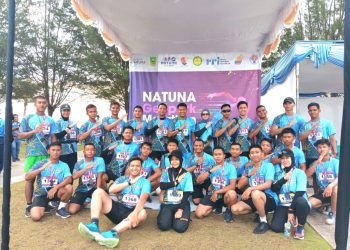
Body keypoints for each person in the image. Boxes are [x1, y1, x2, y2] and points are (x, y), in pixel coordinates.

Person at [78, 157, 150, 248]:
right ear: (129, 167)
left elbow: (143, 199)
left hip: (132, 214)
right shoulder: (122, 179)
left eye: (137, 166)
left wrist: (135, 213)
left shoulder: (145, 182)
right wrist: (129, 183)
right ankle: (94, 225)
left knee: (143, 213)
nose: (135, 168)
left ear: (141, 168)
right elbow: (111, 189)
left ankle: (111, 233)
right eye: (132, 166)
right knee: (98, 192)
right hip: (118, 209)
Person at [18, 95, 57, 217]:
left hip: (46, 153)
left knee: (47, 179)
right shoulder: (28, 118)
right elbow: (20, 135)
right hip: (32, 154)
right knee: (30, 179)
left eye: (44, 103)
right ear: (35, 104)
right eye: (39, 102)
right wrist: (34, 131)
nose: (42, 105)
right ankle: (29, 204)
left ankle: (45, 203)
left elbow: (53, 137)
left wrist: (55, 150)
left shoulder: (50, 120)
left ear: (46, 104)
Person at [231, 145, 278, 234]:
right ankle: (258, 210)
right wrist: (249, 174)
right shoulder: (248, 168)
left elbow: (268, 184)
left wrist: (250, 189)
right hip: (254, 197)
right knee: (234, 209)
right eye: (252, 153)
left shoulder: (268, 166)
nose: (254, 154)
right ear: (249, 156)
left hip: (269, 198)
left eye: (257, 152)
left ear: (262, 154)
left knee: (255, 193)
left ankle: (263, 221)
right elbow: (240, 186)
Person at [25, 142, 72, 221]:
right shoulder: (40, 163)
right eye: (53, 150)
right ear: (48, 151)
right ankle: (44, 205)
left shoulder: (64, 165)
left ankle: (60, 208)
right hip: (41, 194)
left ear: (61, 151)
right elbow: (27, 177)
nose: (55, 152)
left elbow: (69, 179)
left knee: (69, 187)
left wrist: (56, 187)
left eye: (58, 150)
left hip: (56, 192)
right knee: (35, 217)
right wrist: (41, 169)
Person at [270, 149, 310, 240]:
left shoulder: (300, 173)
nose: (285, 160)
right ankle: (291, 222)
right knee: (276, 227)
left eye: (287, 158)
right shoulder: (280, 173)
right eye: (282, 158)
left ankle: (300, 227)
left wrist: (291, 211)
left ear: (292, 158)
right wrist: (283, 179)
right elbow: (274, 188)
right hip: (284, 204)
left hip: (298, 204)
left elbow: (300, 193)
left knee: (301, 201)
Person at [195, 147, 238, 223]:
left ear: (224, 156)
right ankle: (216, 206)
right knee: (199, 214)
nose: (217, 156)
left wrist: (217, 192)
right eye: (215, 154)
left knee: (232, 194)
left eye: (219, 154)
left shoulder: (231, 167)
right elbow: (198, 180)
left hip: (225, 193)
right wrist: (210, 171)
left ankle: (228, 210)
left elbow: (232, 186)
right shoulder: (210, 166)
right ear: (213, 156)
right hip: (213, 193)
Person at [157, 150, 193, 233]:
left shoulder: (186, 174)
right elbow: (162, 185)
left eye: (177, 159)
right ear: (170, 161)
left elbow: (187, 193)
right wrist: (175, 183)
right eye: (172, 160)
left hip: (181, 203)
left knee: (179, 228)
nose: (174, 162)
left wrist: (180, 209)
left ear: (181, 160)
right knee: (163, 226)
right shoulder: (166, 172)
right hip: (168, 203)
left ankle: (184, 214)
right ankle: (167, 214)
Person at [307, 139, 338, 225]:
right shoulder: (315, 163)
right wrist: (318, 161)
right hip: (323, 192)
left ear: (329, 149)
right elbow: (307, 175)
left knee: (335, 188)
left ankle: (333, 213)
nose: (322, 149)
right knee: (309, 204)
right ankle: (327, 204)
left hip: (335, 191)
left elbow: (340, 178)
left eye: (324, 147)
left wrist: (330, 186)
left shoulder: (335, 162)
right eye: (319, 147)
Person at [68, 143, 106, 214]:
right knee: (72, 210)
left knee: (104, 177)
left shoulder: (100, 160)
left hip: (94, 188)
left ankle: (99, 196)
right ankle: (85, 201)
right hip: (82, 189)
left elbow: (100, 176)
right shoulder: (79, 163)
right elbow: (74, 176)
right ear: (84, 152)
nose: (90, 151)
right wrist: (85, 169)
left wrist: (98, 190)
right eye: (87, 150)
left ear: (94, 151)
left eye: (92, 150)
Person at [186, 139, 215, 205]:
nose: (198, 147)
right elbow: (186, 171)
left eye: (200, 145)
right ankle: (200, 194)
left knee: (212, 199)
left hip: (208, 180)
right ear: (193, 146)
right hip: (196, 181)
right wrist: (197, 165)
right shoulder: (191, 158)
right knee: (196, 201)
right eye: (196, 145)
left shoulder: (210, 158)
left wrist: (212, 183)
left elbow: (216, 170)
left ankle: (208, 194)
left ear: (203, 146)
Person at [55, 104, 79, 173]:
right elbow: (57, 136)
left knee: (72, 171)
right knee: (63, 172)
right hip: (62, 151)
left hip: (73, 151)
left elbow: (76, 136)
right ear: (61, 111)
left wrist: (78, 137)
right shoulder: (57, 123)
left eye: (68, 110)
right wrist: (66, 130)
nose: (66, 112)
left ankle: (70, 184)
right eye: (64, 110)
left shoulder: (73, 123)